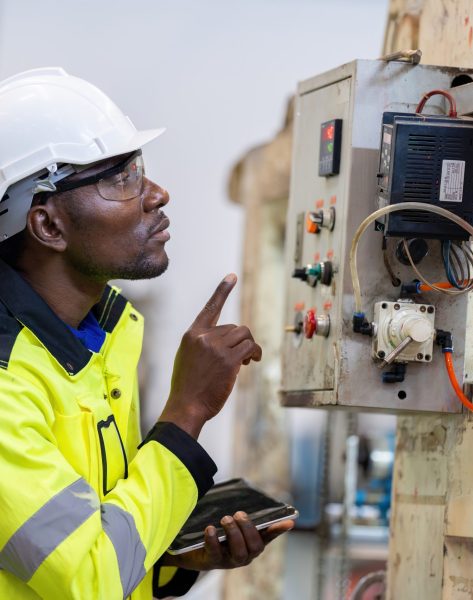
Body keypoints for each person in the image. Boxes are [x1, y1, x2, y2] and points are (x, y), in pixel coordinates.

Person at [0, 68, 294, 599]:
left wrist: (171, 558)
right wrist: (185, 415)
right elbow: (91, 578)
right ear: (48, 226)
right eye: (118, 178)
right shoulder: (5, 384)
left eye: (138, 169)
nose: (157, 193)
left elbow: (88, 537)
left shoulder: (101, 339)